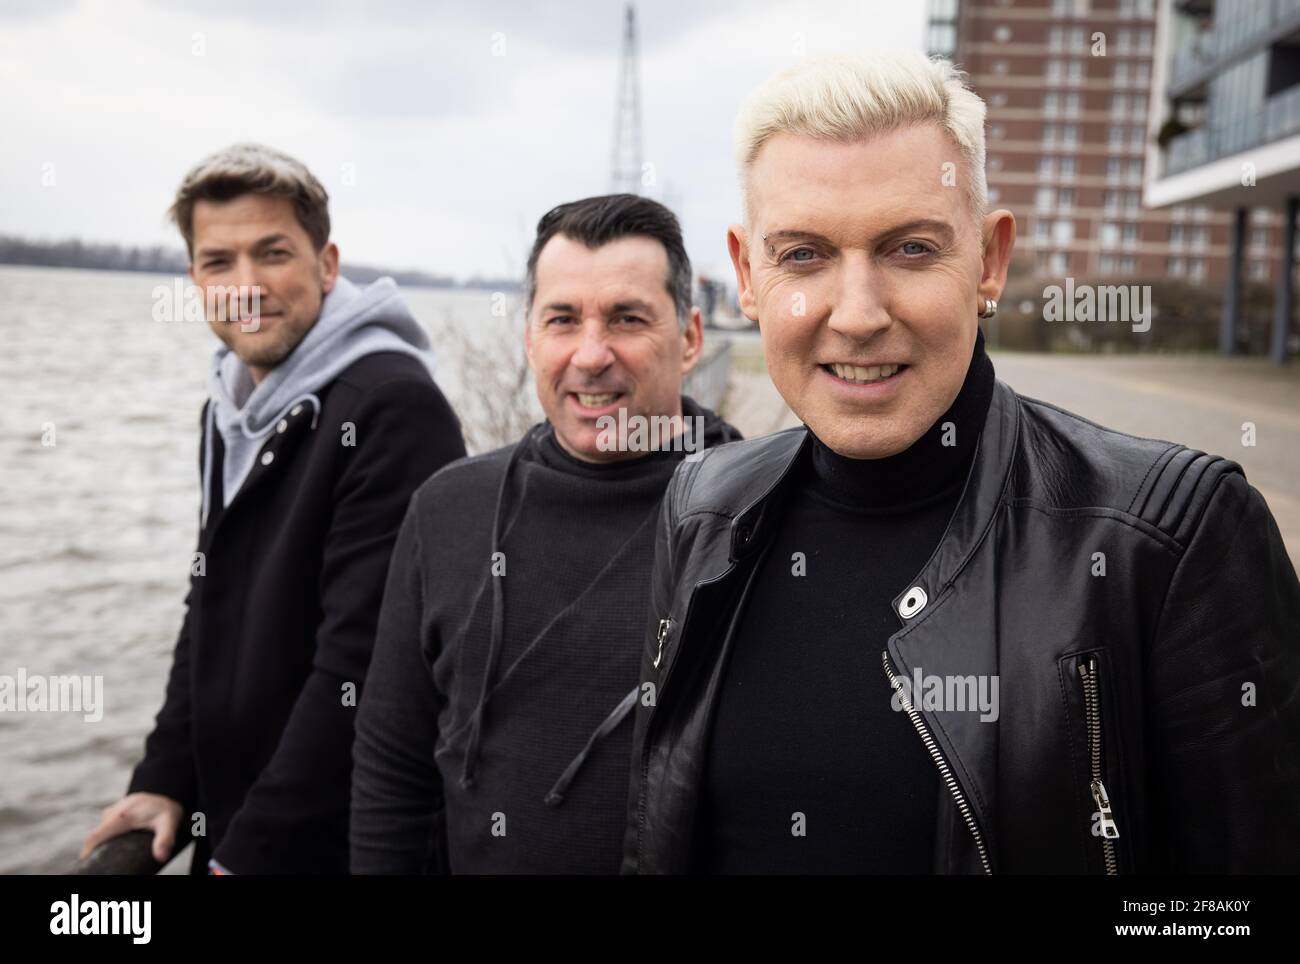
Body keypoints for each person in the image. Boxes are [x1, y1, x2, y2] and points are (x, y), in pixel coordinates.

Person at [621, 51, 1300, 874]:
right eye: (803, 255)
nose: (859, 314)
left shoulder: (1167, 535)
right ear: (746, 276)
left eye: (910, 249)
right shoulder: (703, 509)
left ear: (989, 260)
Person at [80, 143, 466, 874]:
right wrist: (165, 778)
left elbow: (364, 666)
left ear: (327, 264)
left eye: (273, 253)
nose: (245, 285)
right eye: (218, 262)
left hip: (339, 846)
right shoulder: (230, 406)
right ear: (194, 277)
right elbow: (211, 605)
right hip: (241, 817)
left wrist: (252, 853)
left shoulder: (390, 406)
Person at [351, 194, 739, 873]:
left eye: (627, 319)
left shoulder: (752, 516)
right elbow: (393, 767)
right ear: (529, 337)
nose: (591, 356)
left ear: (690, 336)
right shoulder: (448, 510)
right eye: (563, 320)